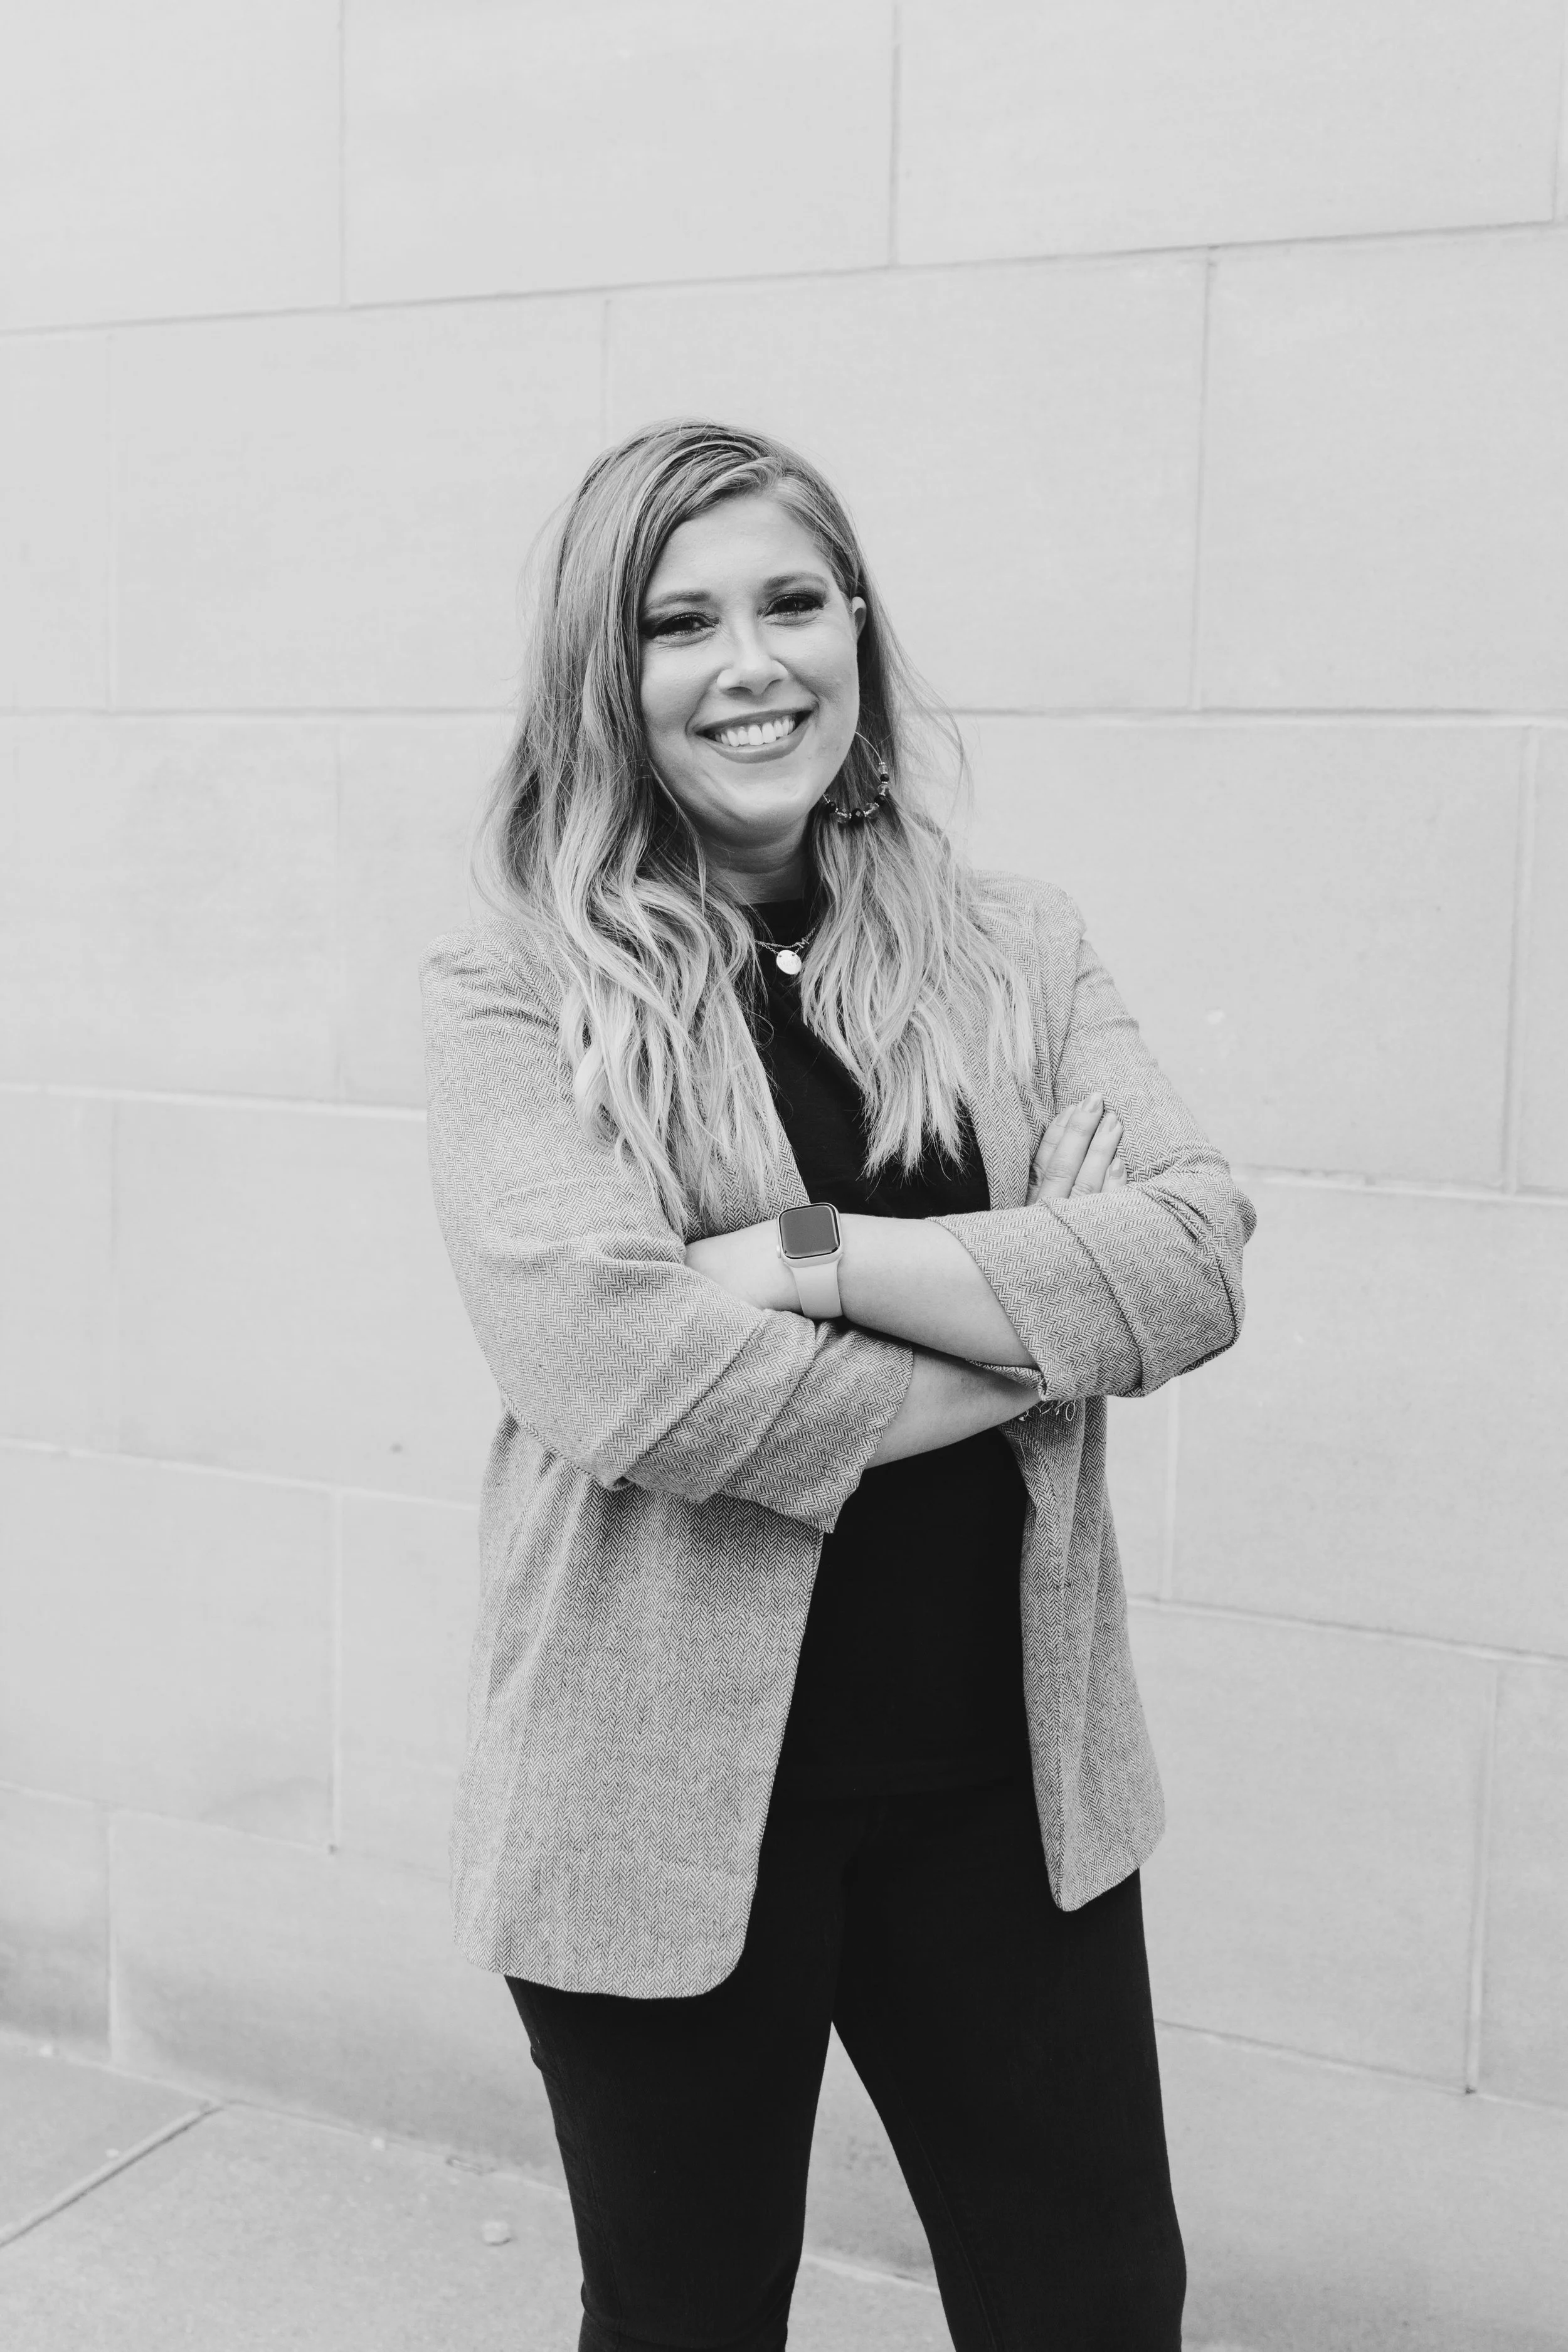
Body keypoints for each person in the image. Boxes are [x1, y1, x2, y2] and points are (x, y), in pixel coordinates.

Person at [421, 418, 1254, 2352]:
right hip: (652, 1800)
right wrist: (1033, 1332)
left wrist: (812, 1256)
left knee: (1097, 2304)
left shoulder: (1014, 955)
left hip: (1000, 1790)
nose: (752, 663)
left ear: (857, 632)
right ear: (603, 680)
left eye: (793, 601)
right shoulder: (516, 989)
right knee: (687, 2320)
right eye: (680, 622)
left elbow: (1192, 1254)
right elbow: (622, 1370)